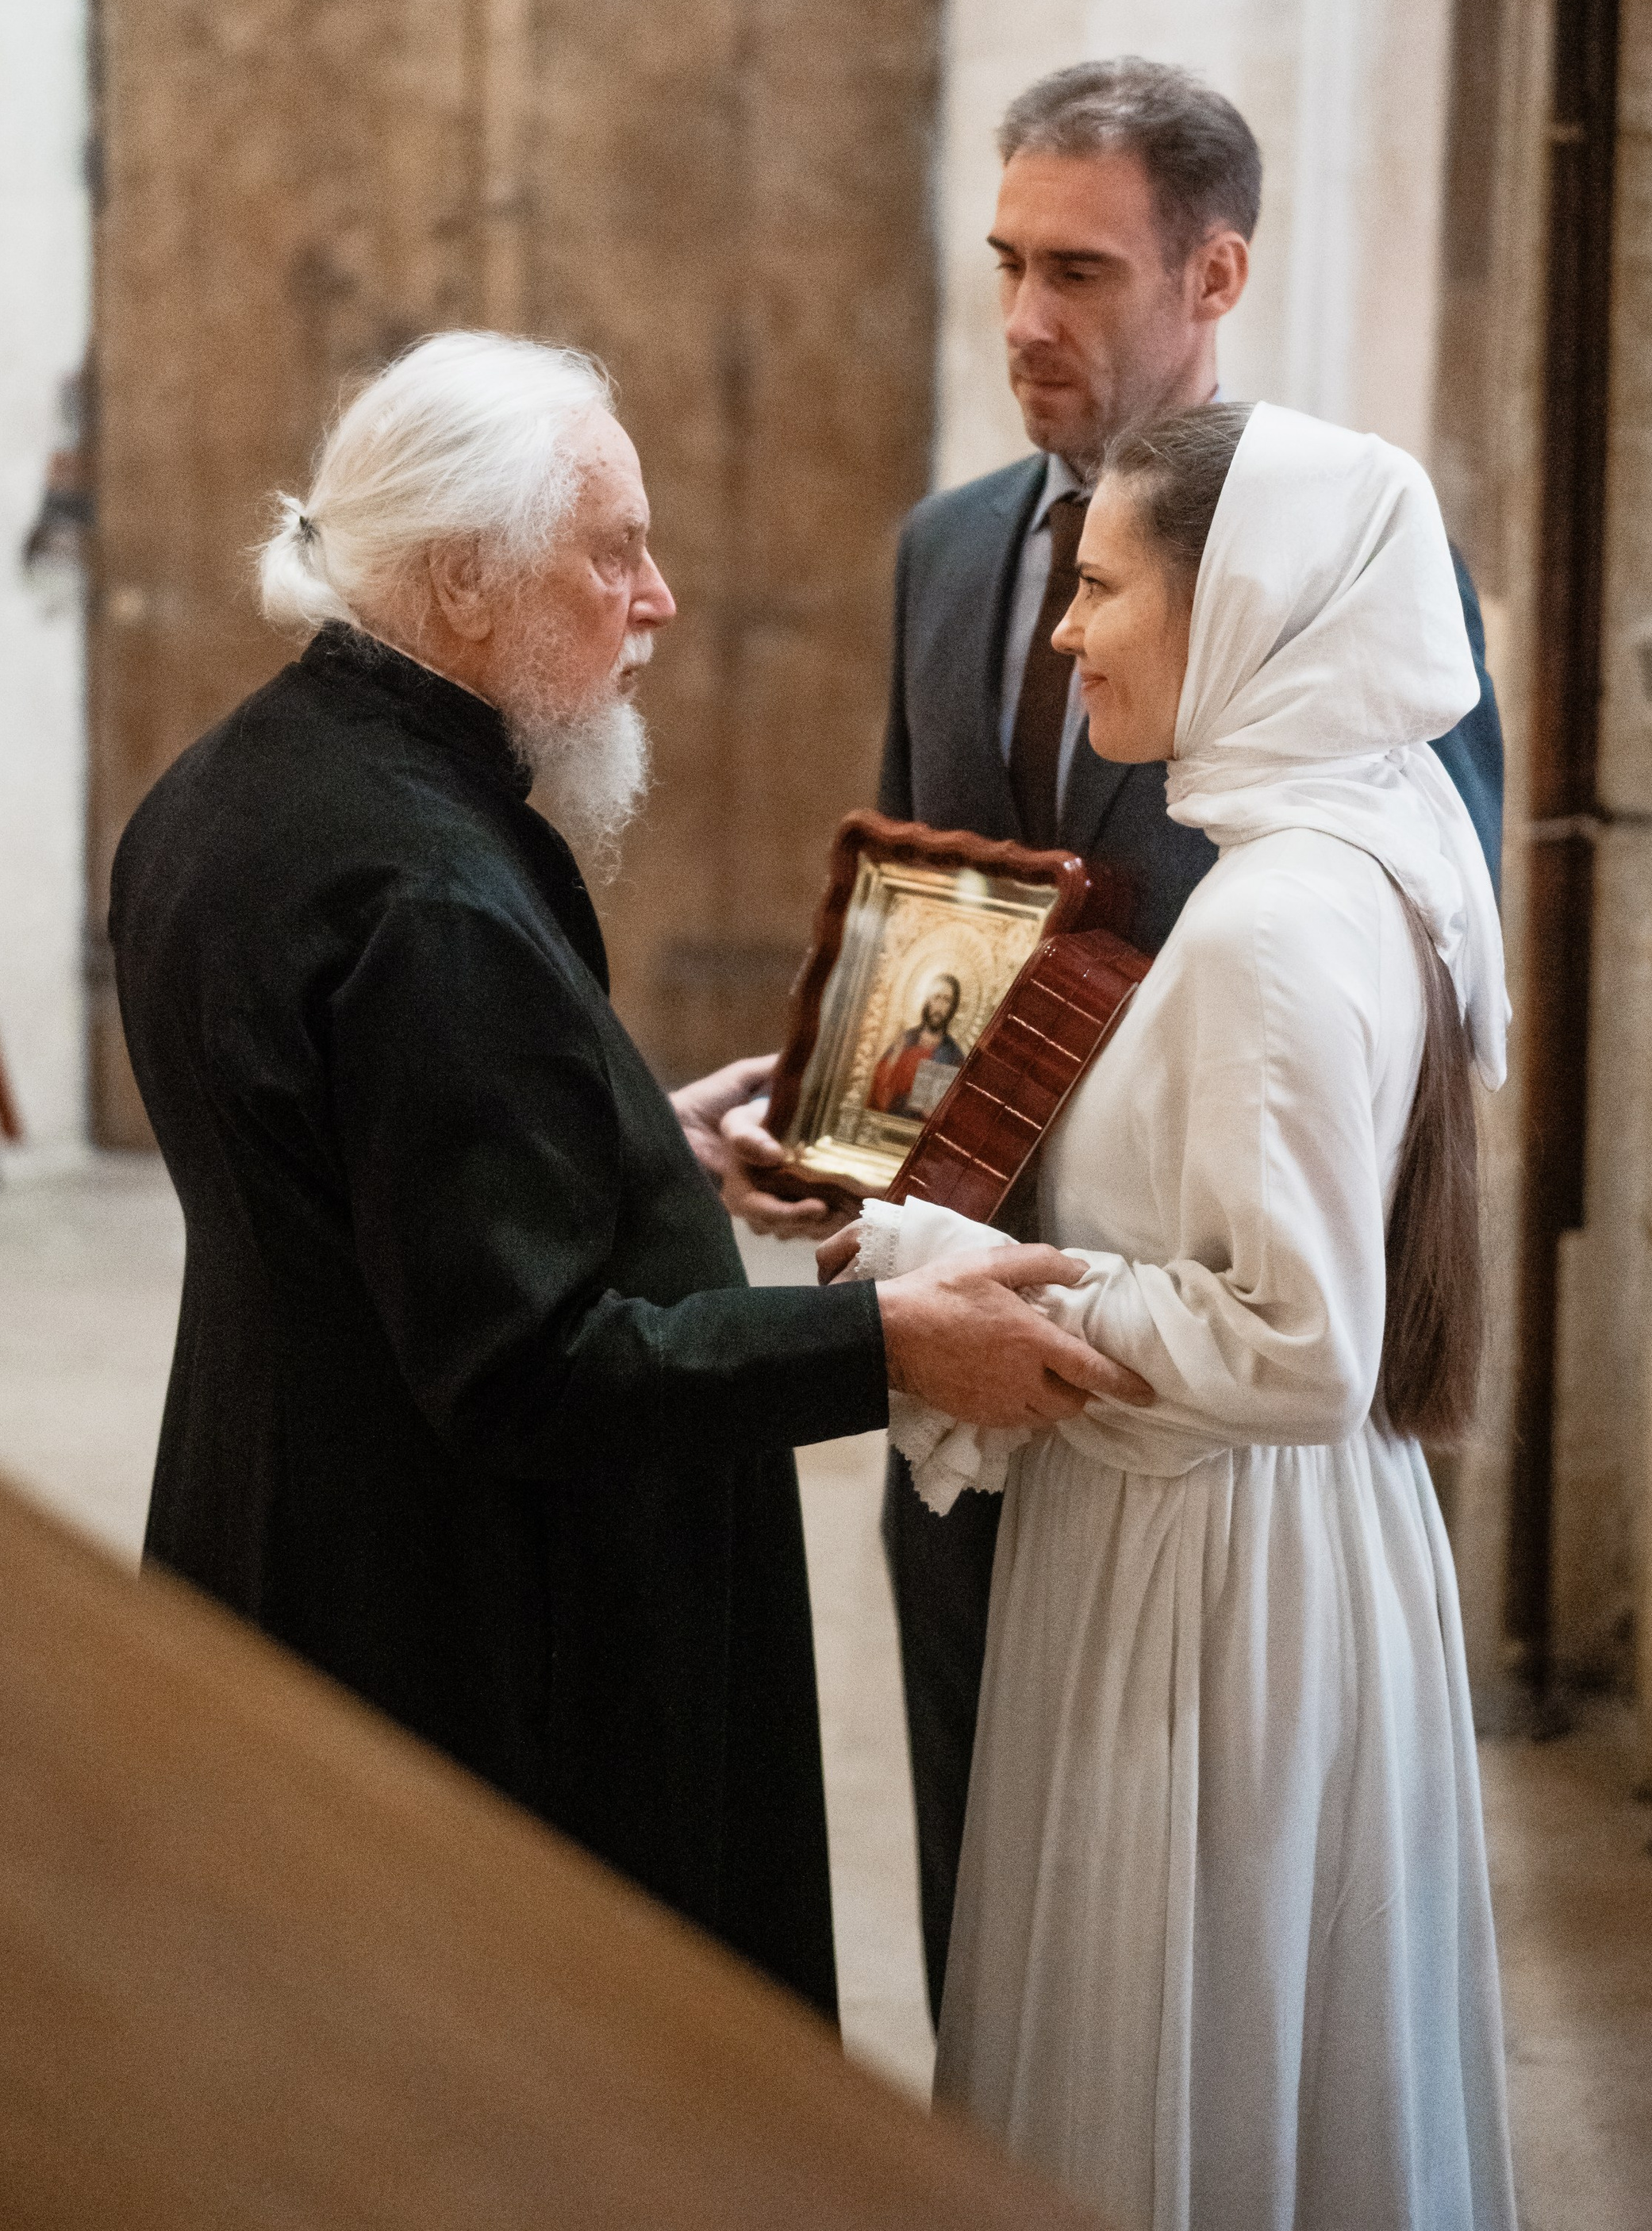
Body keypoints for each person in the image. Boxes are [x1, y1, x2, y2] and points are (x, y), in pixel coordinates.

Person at [112, 329, 1141, 2018]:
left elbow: (332, 1146)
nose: (655, 597)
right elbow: (527, 1367)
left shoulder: (235, 785)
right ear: (460, 582)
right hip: (466, 1636)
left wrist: (615, 1137)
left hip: (283, 1516)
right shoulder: (426, 886)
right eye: (610, 552)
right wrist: (887, 1346)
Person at [724, 55, 1506, 2021]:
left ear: (1211, 271)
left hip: (1186, 1371)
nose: (1020, 321)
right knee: (989, 1885)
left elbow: (1405, 957)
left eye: (1075, 270)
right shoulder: (948, 549)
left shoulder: (1345, 582)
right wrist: (840, 1130)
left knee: (1178, 1939)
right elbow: (939, 916)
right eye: (1002, 263)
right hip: (966, 1317)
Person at [824, 398, 1519, 2230]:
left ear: (1244, 609)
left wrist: (942, 1279)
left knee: (1181, 2062)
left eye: (1106, 588)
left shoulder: (1274, 924)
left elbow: (1296, 1341)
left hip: (1200, 1571)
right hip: (1217, 1533)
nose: (1064, 635)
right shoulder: (1338, 862)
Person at [869, 973, 966, 1118]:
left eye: (947, 1000)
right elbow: (877, 1089)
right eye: (936, 997)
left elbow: (955, 1108)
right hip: (891, 1121)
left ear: (953, 1007)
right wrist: (895, 1059)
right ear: (927, 1000)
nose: (939, 1007)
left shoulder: (953, 1055)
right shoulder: (905, 1041)